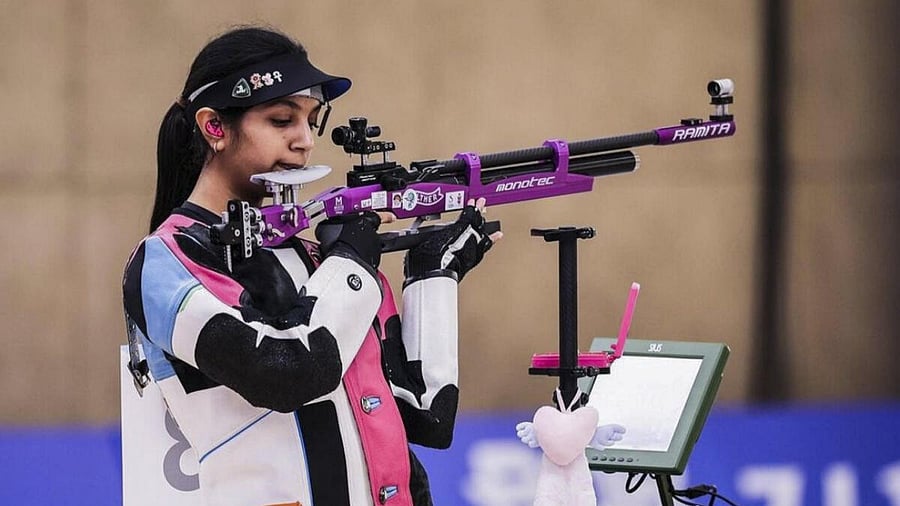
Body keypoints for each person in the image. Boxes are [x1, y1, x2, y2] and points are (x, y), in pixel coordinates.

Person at [122, 26, 499, 506]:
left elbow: (426, 414)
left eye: (311, 120)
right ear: (214, 126)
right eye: (282, 120)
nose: (305, 141)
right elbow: (287, 373)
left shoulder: (324, 260)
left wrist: (432, 275)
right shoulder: (164, 261)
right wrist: (353, 261)